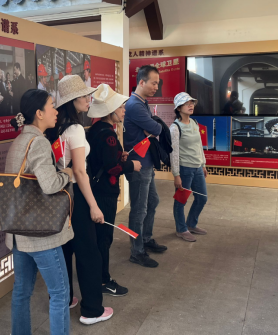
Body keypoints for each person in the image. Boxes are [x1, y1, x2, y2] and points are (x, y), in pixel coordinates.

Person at [4, 89, 74, 335]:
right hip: (41, 233)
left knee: (22, 291)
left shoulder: (20, 140)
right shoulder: (39, 143)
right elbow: (50, 185)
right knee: (60, 292)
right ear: (39, 113)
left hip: (19, 231)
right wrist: (67, 174)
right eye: (52, 105)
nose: (56, 111)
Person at [46, 75, 114, 325]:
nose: (89, 99)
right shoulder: (74, 129)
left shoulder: (55, 126)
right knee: (89, 253)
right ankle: (92, 310)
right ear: (72, 101)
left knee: (64, 248)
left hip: (59, 195)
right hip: (77, 196)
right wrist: (94, 206)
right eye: (84, 96)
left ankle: (64, 299)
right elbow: (79, 171)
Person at [87, 84, 141, 297]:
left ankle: (96, 276)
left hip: (95, 190)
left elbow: (103, 159)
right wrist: (131, 165)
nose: (124, 110)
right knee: (104, 238)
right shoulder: (108, 135)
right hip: (104, 193)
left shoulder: (96, 130)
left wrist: (120, 156)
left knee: (97, 237)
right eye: (120, 107)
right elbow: (111, 167)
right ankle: (103, 281)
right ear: (110, 111)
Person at [124, 65, 166, 268]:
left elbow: (155, 127)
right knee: (138, 210)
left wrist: (152, 126)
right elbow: (157, 127)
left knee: (152, 201)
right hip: (138, 165)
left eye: (158, 83)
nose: (156, 87)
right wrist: (153, 126)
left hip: (146, 162)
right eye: (153, 83)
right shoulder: (135, 105)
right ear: (141, 82)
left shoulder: (142, 103)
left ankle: (146, 239)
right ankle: (137, 251)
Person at [170, 92, 209, 242]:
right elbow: (174, 153)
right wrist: (176, 174)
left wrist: (203, 164)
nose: (191, 105)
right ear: (178, 108)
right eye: (187, 103)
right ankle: (181, 229)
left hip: (198, 167)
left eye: (191, 103)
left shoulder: (194, 123)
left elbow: (199, 145)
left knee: (202, 198)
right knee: (181, 200)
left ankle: (191, 224)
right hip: (184, 169)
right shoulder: (175, 128)